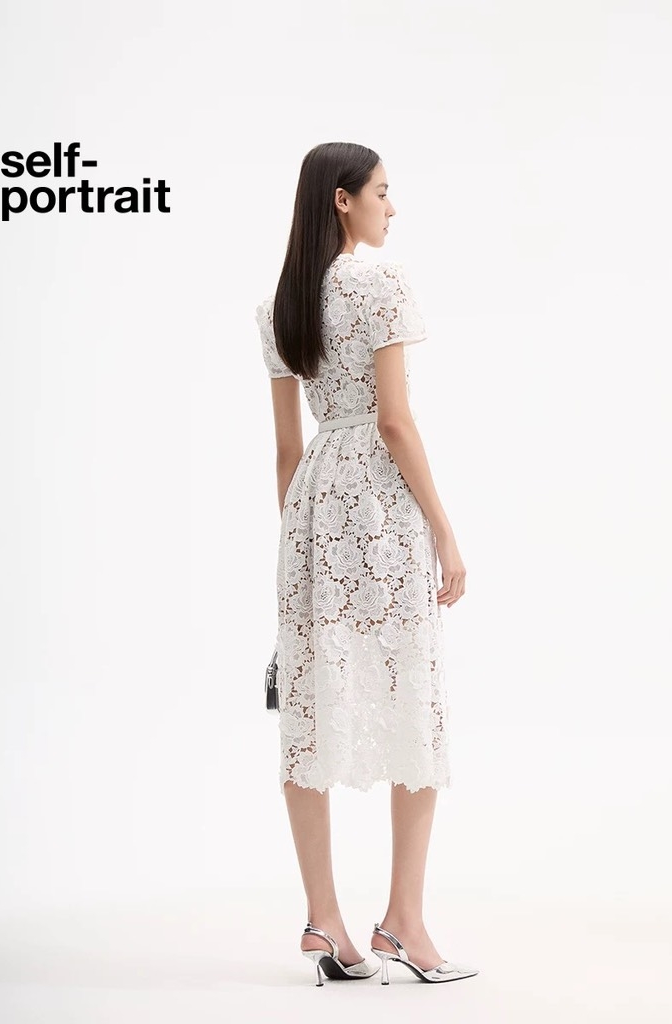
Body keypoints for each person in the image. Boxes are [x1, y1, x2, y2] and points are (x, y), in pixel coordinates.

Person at [256, 142, 478, 987]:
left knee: (310, 704)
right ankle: (404, 924)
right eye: (383, 191)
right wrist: (445, 529)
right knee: (411, 695)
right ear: (343, 200)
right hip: (381, 507)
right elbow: (394, 421)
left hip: (311, 509)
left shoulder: (279, 306)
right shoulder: (382, 286)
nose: (394, 206)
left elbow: (286, 452)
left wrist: (300, 548)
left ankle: (326, 923)